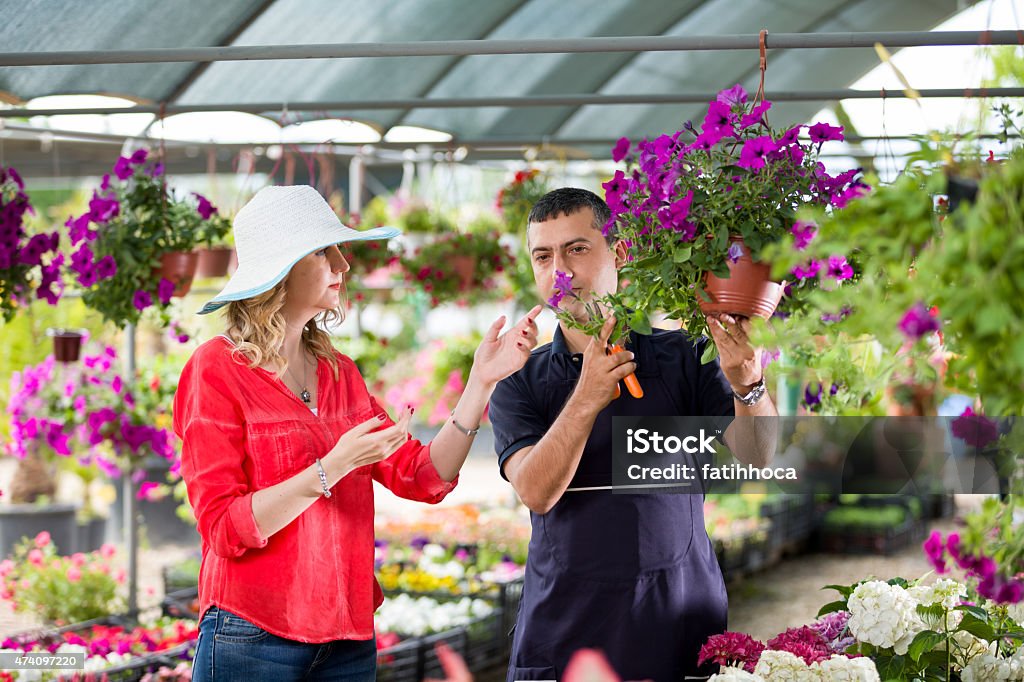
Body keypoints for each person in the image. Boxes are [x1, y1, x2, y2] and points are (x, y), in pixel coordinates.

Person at [172, 185, 541, 682]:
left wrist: (481, 382)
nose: (343, 265)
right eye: (326, 252)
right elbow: (223, 527)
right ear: (282, 270)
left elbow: (424, 476)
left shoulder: (338, 371)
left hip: (346, 638)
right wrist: (333, 467)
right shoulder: (216, 369)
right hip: (254, 634)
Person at [489, 188, 778, 681]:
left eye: (577, 249)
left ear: (619, 253)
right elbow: (536, 492)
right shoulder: (518, 379)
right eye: (544, 256)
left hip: (679, 630)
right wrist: (586, 395)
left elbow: (756, 463)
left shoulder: (687, 356)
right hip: (565, 638)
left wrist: (748, 383)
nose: (560, 270)